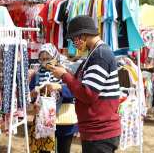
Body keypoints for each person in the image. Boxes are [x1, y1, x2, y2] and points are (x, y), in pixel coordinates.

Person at [50, 15, 120, 153]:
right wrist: (66, 73)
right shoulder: (95, 53)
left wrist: (64, 75)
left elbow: (88, 94)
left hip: (100, 132)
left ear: (83, 35)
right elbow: (85, 85)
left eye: (73, 39)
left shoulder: (100, 55)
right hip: (96, 131)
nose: (73, 43)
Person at [29, 43, 78, 153]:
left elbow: (75, 91)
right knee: (44, 150)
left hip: (64, 119)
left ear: (55, 56)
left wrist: (59, 88)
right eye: (42, 59)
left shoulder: (65, 72)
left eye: (48, 58)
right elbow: (32, 93)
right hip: (44, 119)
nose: (45, 61)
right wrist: (34, 97)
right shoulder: (37, 74)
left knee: (63, 150)